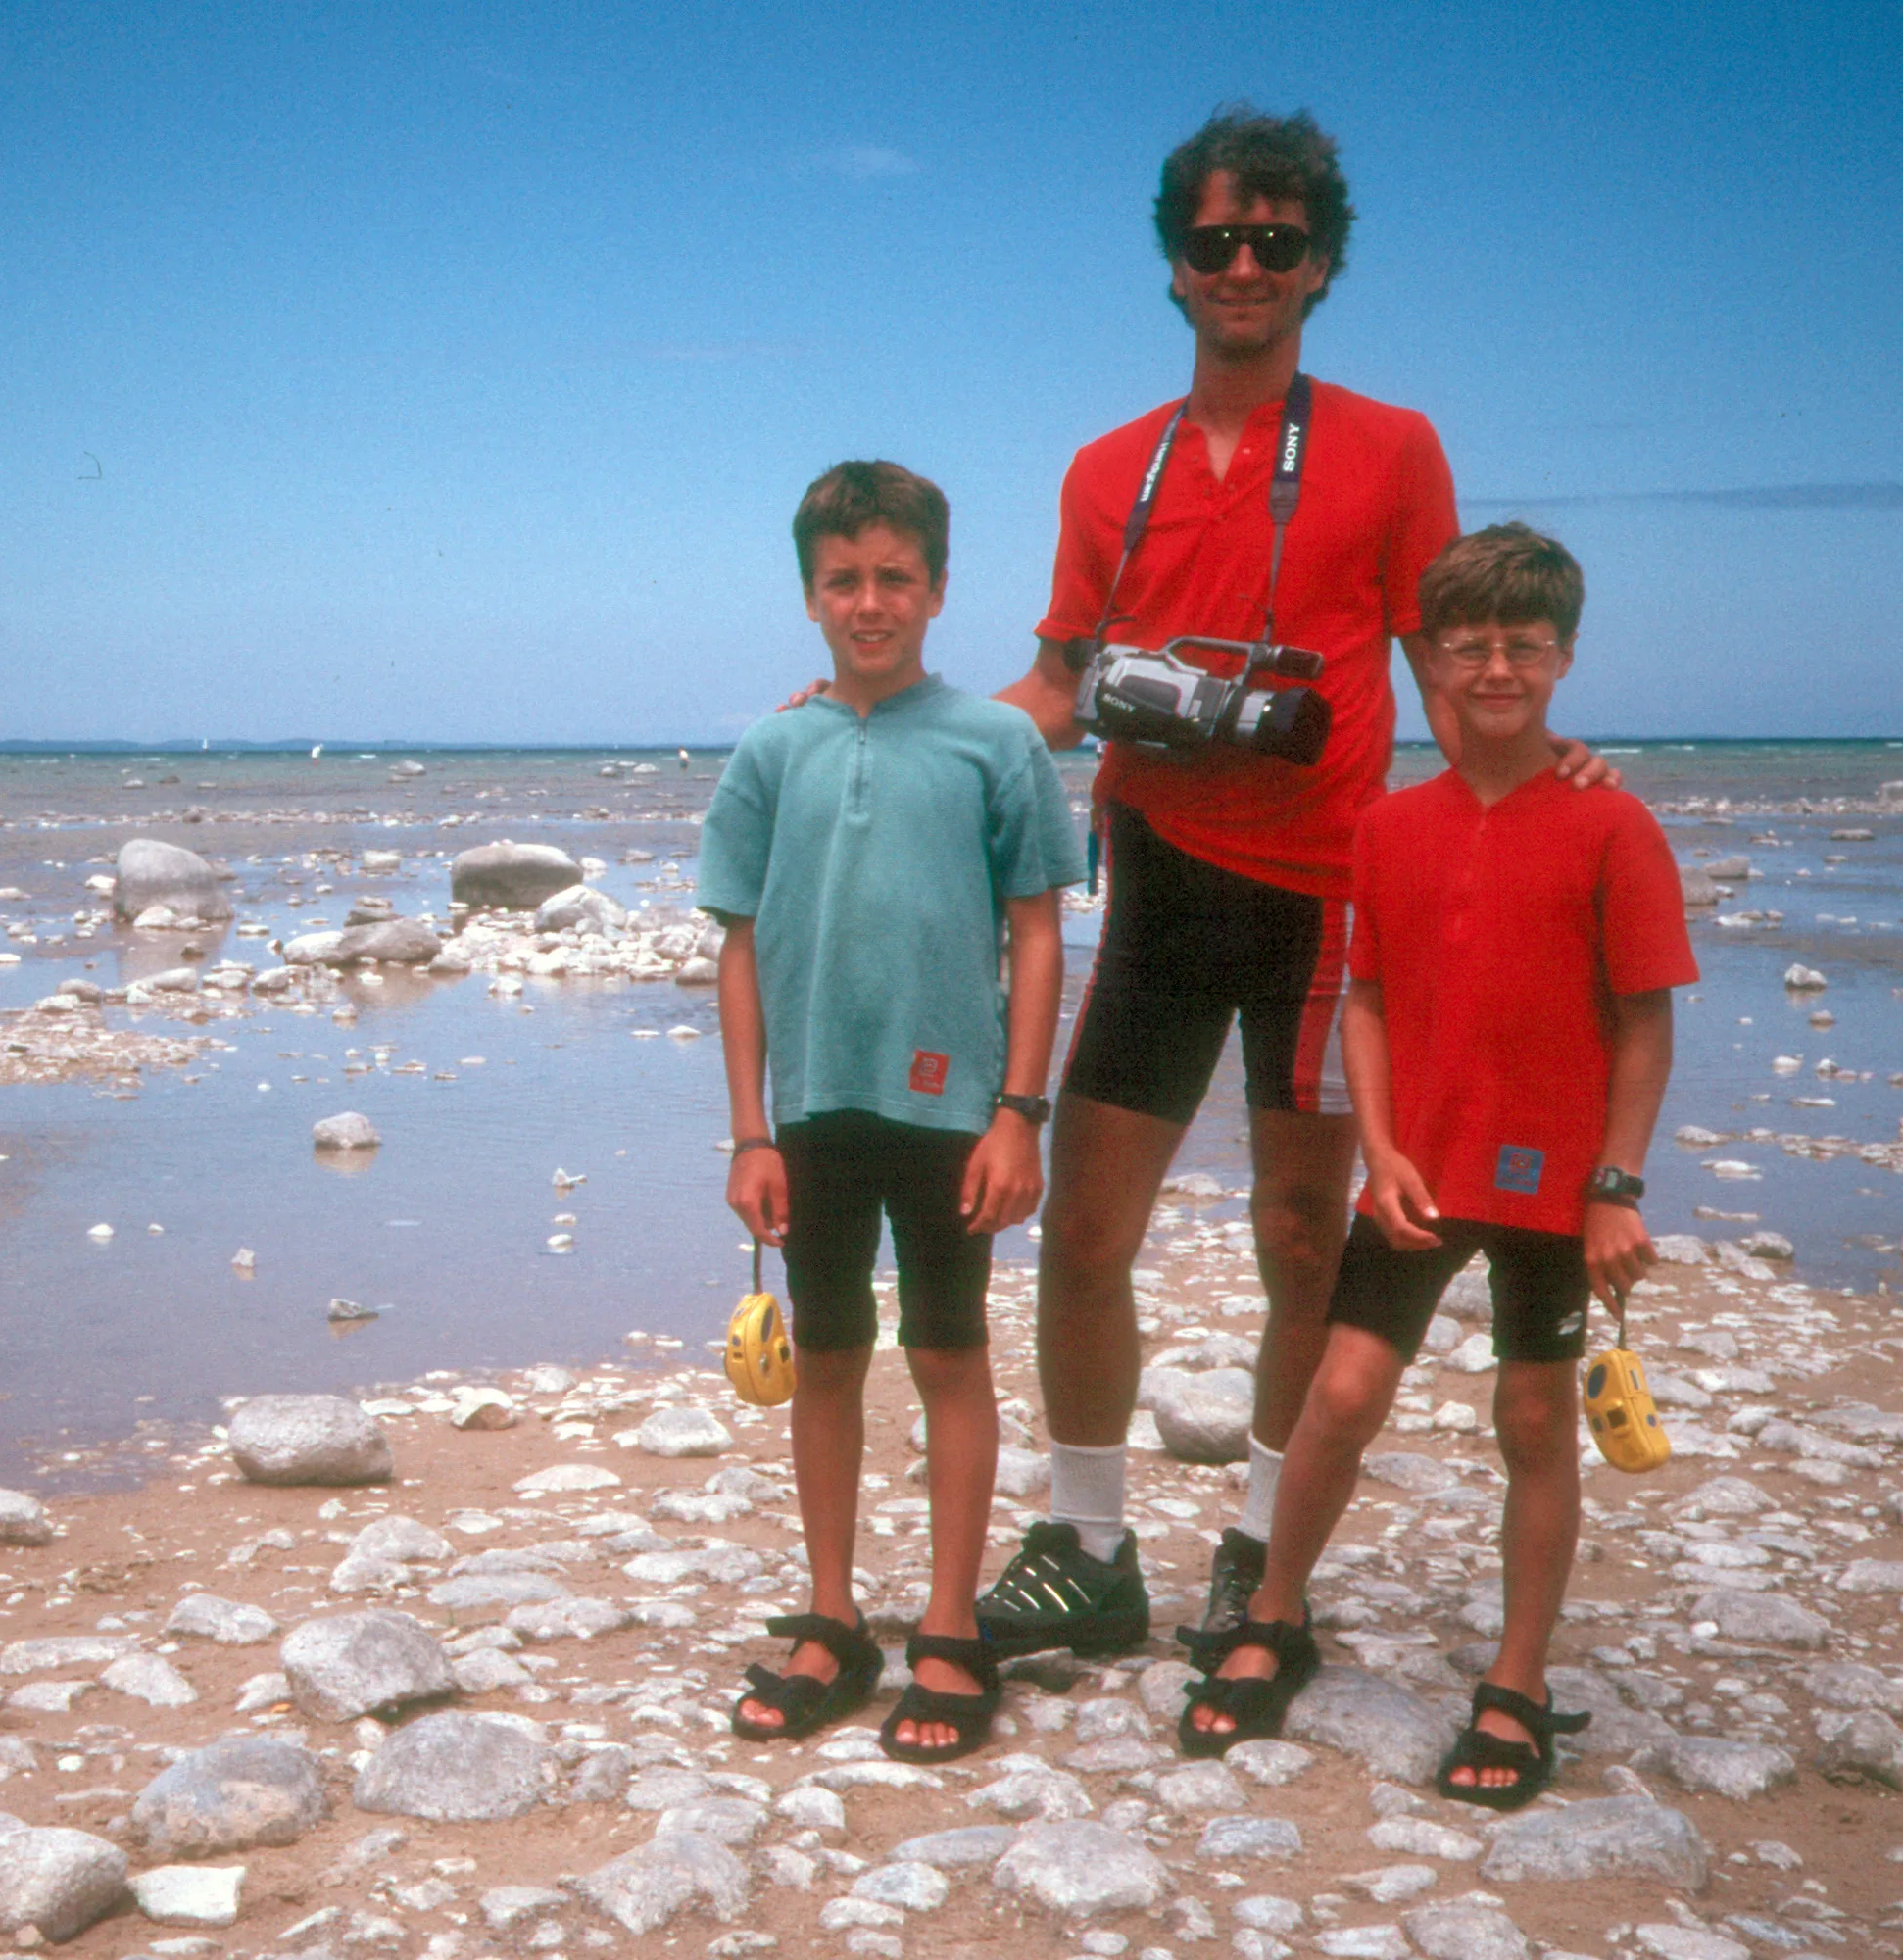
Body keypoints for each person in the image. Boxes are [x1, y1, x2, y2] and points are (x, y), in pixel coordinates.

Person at [978, 106, 1605, 1662]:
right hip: (1163, 879)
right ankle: (1091, 1542)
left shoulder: (1392, 448)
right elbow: (1057, 687)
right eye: (1214, 242)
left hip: (1331, 898)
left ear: (1321, 265)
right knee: (1083, 1238)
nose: (1244, 265)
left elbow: (1451, 663)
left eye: (1276, 241)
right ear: (1175, 270)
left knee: (1299, 1238)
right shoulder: (1103, 471)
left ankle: (1263, 1547)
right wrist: (900, 733)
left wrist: (1552, 780)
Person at [1177, 523, 1693, 1810]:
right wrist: (1386, 1147)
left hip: (1557, 1189)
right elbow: (1365, 997)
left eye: (1524, 644)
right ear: (1434, 662)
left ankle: (1516, 1682)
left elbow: (1645, 1022)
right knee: (1341, 1396)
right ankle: (1276, 1613)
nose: (1497, 667)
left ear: (1563, 657)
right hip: (1418, 1176)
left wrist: (1617, 1188)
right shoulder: (1389, 828)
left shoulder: (1612, 825)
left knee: (1533, 1421)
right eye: (1469, 646)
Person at [704, 461, 1086, 1763]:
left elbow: (1038, 931)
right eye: (845, 580)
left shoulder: (995, 744)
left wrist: (1020, 1111)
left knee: (947, 1353)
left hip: (950, 1109)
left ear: (936, 588)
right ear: (811, 595)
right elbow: (740, 943)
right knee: (825, 1354)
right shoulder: (773, 746)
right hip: (811, 1109)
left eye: (895, 579)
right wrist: (752, 1129)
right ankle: (829, 1617)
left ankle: (946, 1627)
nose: (871, 602)